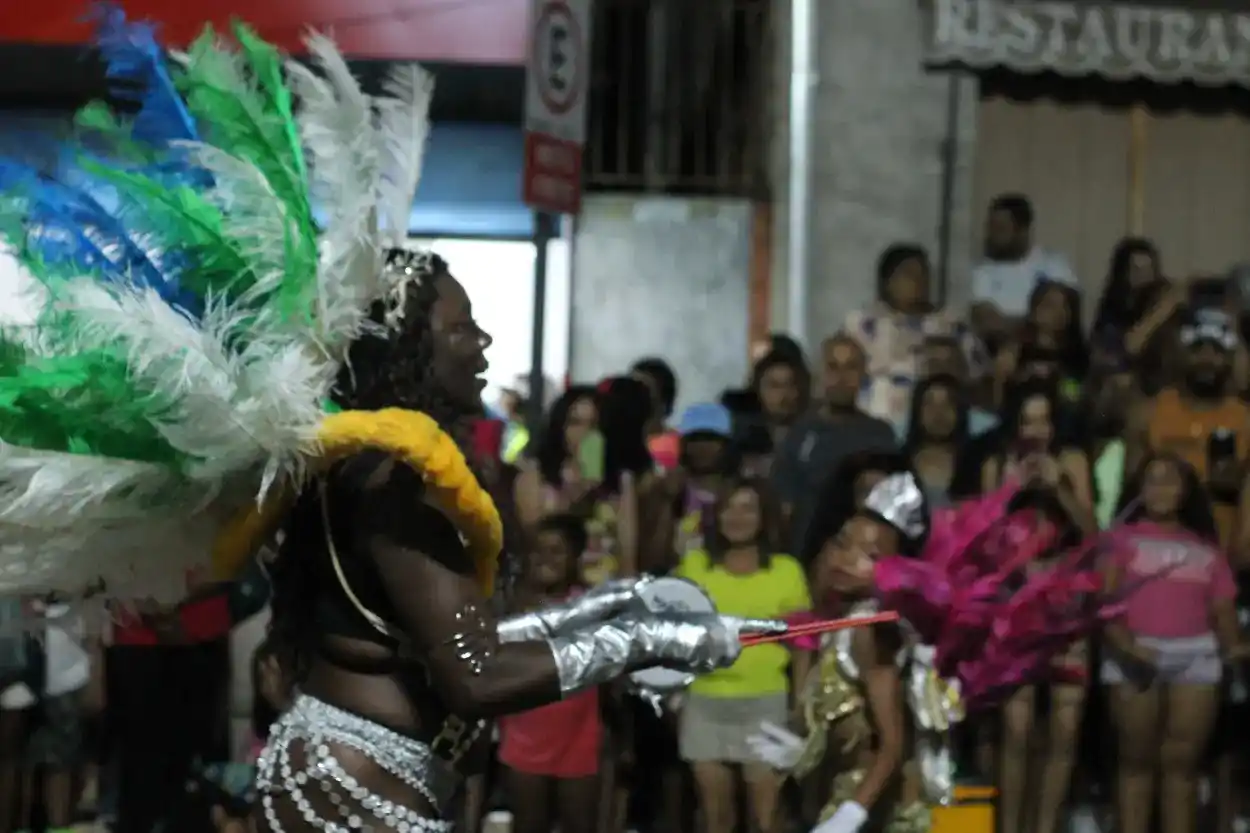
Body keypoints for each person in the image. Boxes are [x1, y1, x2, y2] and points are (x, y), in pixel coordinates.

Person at [0, 15, 773, 833]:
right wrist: (642, 644)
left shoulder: (379, 465)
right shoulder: (394, 477)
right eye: (460, 329)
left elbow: (457, 629)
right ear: (407, 351)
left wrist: (621, 606)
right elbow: (474, 673)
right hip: (356, 786)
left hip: (353, 771)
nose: (482, 343)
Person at [1102, 455, 1246, 833]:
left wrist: (1236, 649)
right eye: (1152, 480)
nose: (1161, 488)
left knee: (1181, 768)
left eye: (1171, 480)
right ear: (1138, 490)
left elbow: (1223, 611)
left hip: (1196, 656)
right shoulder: (1120, 540)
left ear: (1185, 492)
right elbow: (1105, 603)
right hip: (1134, 655)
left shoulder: (1207, 549)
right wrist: (1126, 646)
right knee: (1136, 764)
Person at [676, 477, 810, 833]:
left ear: (764, 517)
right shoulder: (694, 566)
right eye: (728, 508)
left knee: (765, 820)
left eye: (747, 508)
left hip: (765, 705)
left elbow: (801, 649)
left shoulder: (786, 571)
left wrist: (800, 706)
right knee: (715, 819)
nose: (737, 517)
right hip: (705, 702)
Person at [498, 515, 602, 833]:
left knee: (579, 824)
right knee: (529, 824)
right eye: (538, 551)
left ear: (575, 557)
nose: (546, 559)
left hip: (579, 736)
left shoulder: (591, 604)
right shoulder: (512, 606)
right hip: (523, 737)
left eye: (557, 551)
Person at [772, 334, 897, 555]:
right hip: (806, 559)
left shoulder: (881, 435)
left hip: (867, 560)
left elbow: (893, 508)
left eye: (851, 367)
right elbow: (783, 510)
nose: (842, 377)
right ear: (820, 374)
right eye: (833, 367)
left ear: (863, 375)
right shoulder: (798, 434)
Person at [844, 244, 987, 430]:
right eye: (909, 274)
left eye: (924, 274)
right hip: (870, 425)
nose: (919, 281)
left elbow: (979, 379)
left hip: (935, 424)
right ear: (887, 282)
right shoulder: (860, 325)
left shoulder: (951, 325)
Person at [970, 194, 1078, 350]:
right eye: (990, 228)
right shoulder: (982, 271)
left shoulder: (1055, 265)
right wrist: (1035, 324)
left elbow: (1066, 321)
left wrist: (1009, 323)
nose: (992, 236)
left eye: (1000, 229)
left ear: (1023, 231)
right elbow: (987, 323)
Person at [513, 385, 601, 536]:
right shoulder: (535, 476)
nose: (584, 432)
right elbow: (531, 535)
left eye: (594, 424)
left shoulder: (614, 479)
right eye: (575, 423)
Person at [993, 279, 1088, 407]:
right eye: (1050, 305)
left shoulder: (1077, 352)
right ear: (1034, 311)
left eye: (1065, 306)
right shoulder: (1016, 349)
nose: (1058, 312)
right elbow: (1000, 398)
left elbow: (1075, 396)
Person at [901, 375, 970, 509]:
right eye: (929, 404)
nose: (939, 413)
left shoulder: (977, 464)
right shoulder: (899, 464)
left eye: (948, 404)